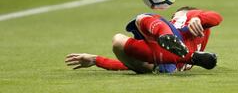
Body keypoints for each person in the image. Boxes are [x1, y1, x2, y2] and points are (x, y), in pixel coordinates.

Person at [65, 6, 223, 74]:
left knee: (142, 18)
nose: (174, 17)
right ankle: (189, 57)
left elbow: (216, 17)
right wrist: (96, 60)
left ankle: (167, 37)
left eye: (175, 15)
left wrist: (195, 16)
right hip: (168, 63)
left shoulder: (188, 17)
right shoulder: (199, 34)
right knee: (118, 42)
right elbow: (128, 65)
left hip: (174, 39)